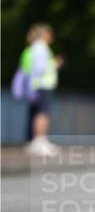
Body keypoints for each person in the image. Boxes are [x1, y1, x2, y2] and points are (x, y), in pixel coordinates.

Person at [20, 24, 63, 156]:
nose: (51, 36)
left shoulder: (33, 47)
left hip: (35, 85)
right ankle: (39, 142)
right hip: (42, 84)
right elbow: (40, 68)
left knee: (35, 113)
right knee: (42, 113)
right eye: (49, 33)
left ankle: (34, 142)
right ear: (43, 35)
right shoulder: (41, 47)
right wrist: (54, 64)